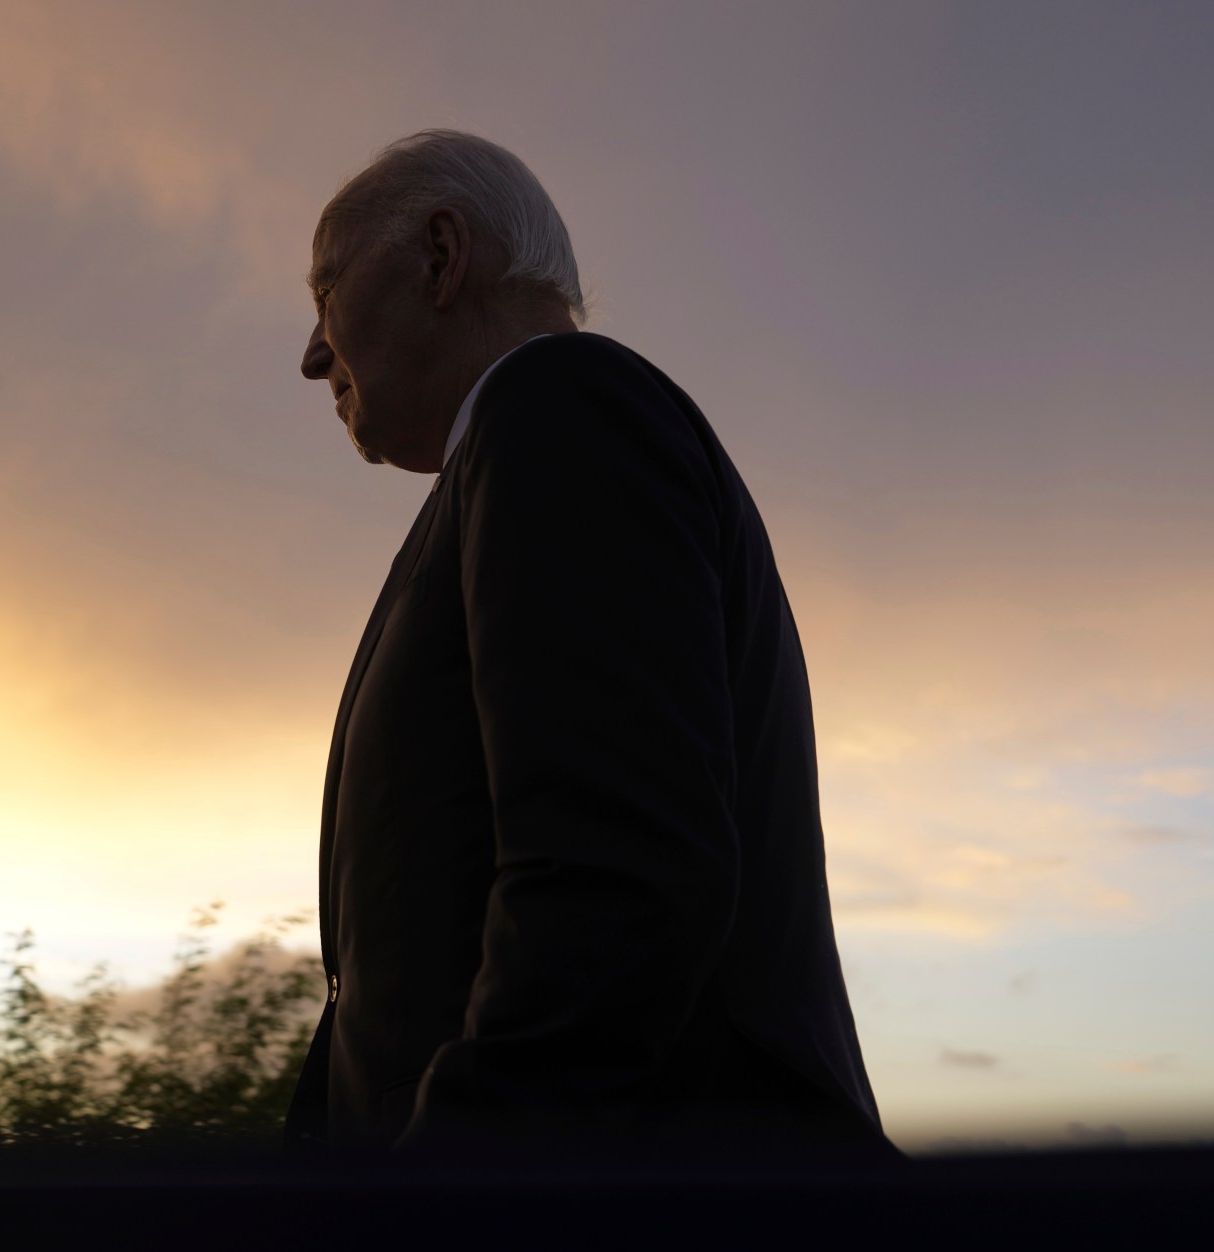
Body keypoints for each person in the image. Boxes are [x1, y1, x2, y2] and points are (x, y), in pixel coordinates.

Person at [286, 130, 888, 1162]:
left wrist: (438, 1193)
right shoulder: (509, 461)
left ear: (439, 255)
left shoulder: (556, 409)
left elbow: (617, 884)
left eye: (325, 290)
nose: (310, 354)